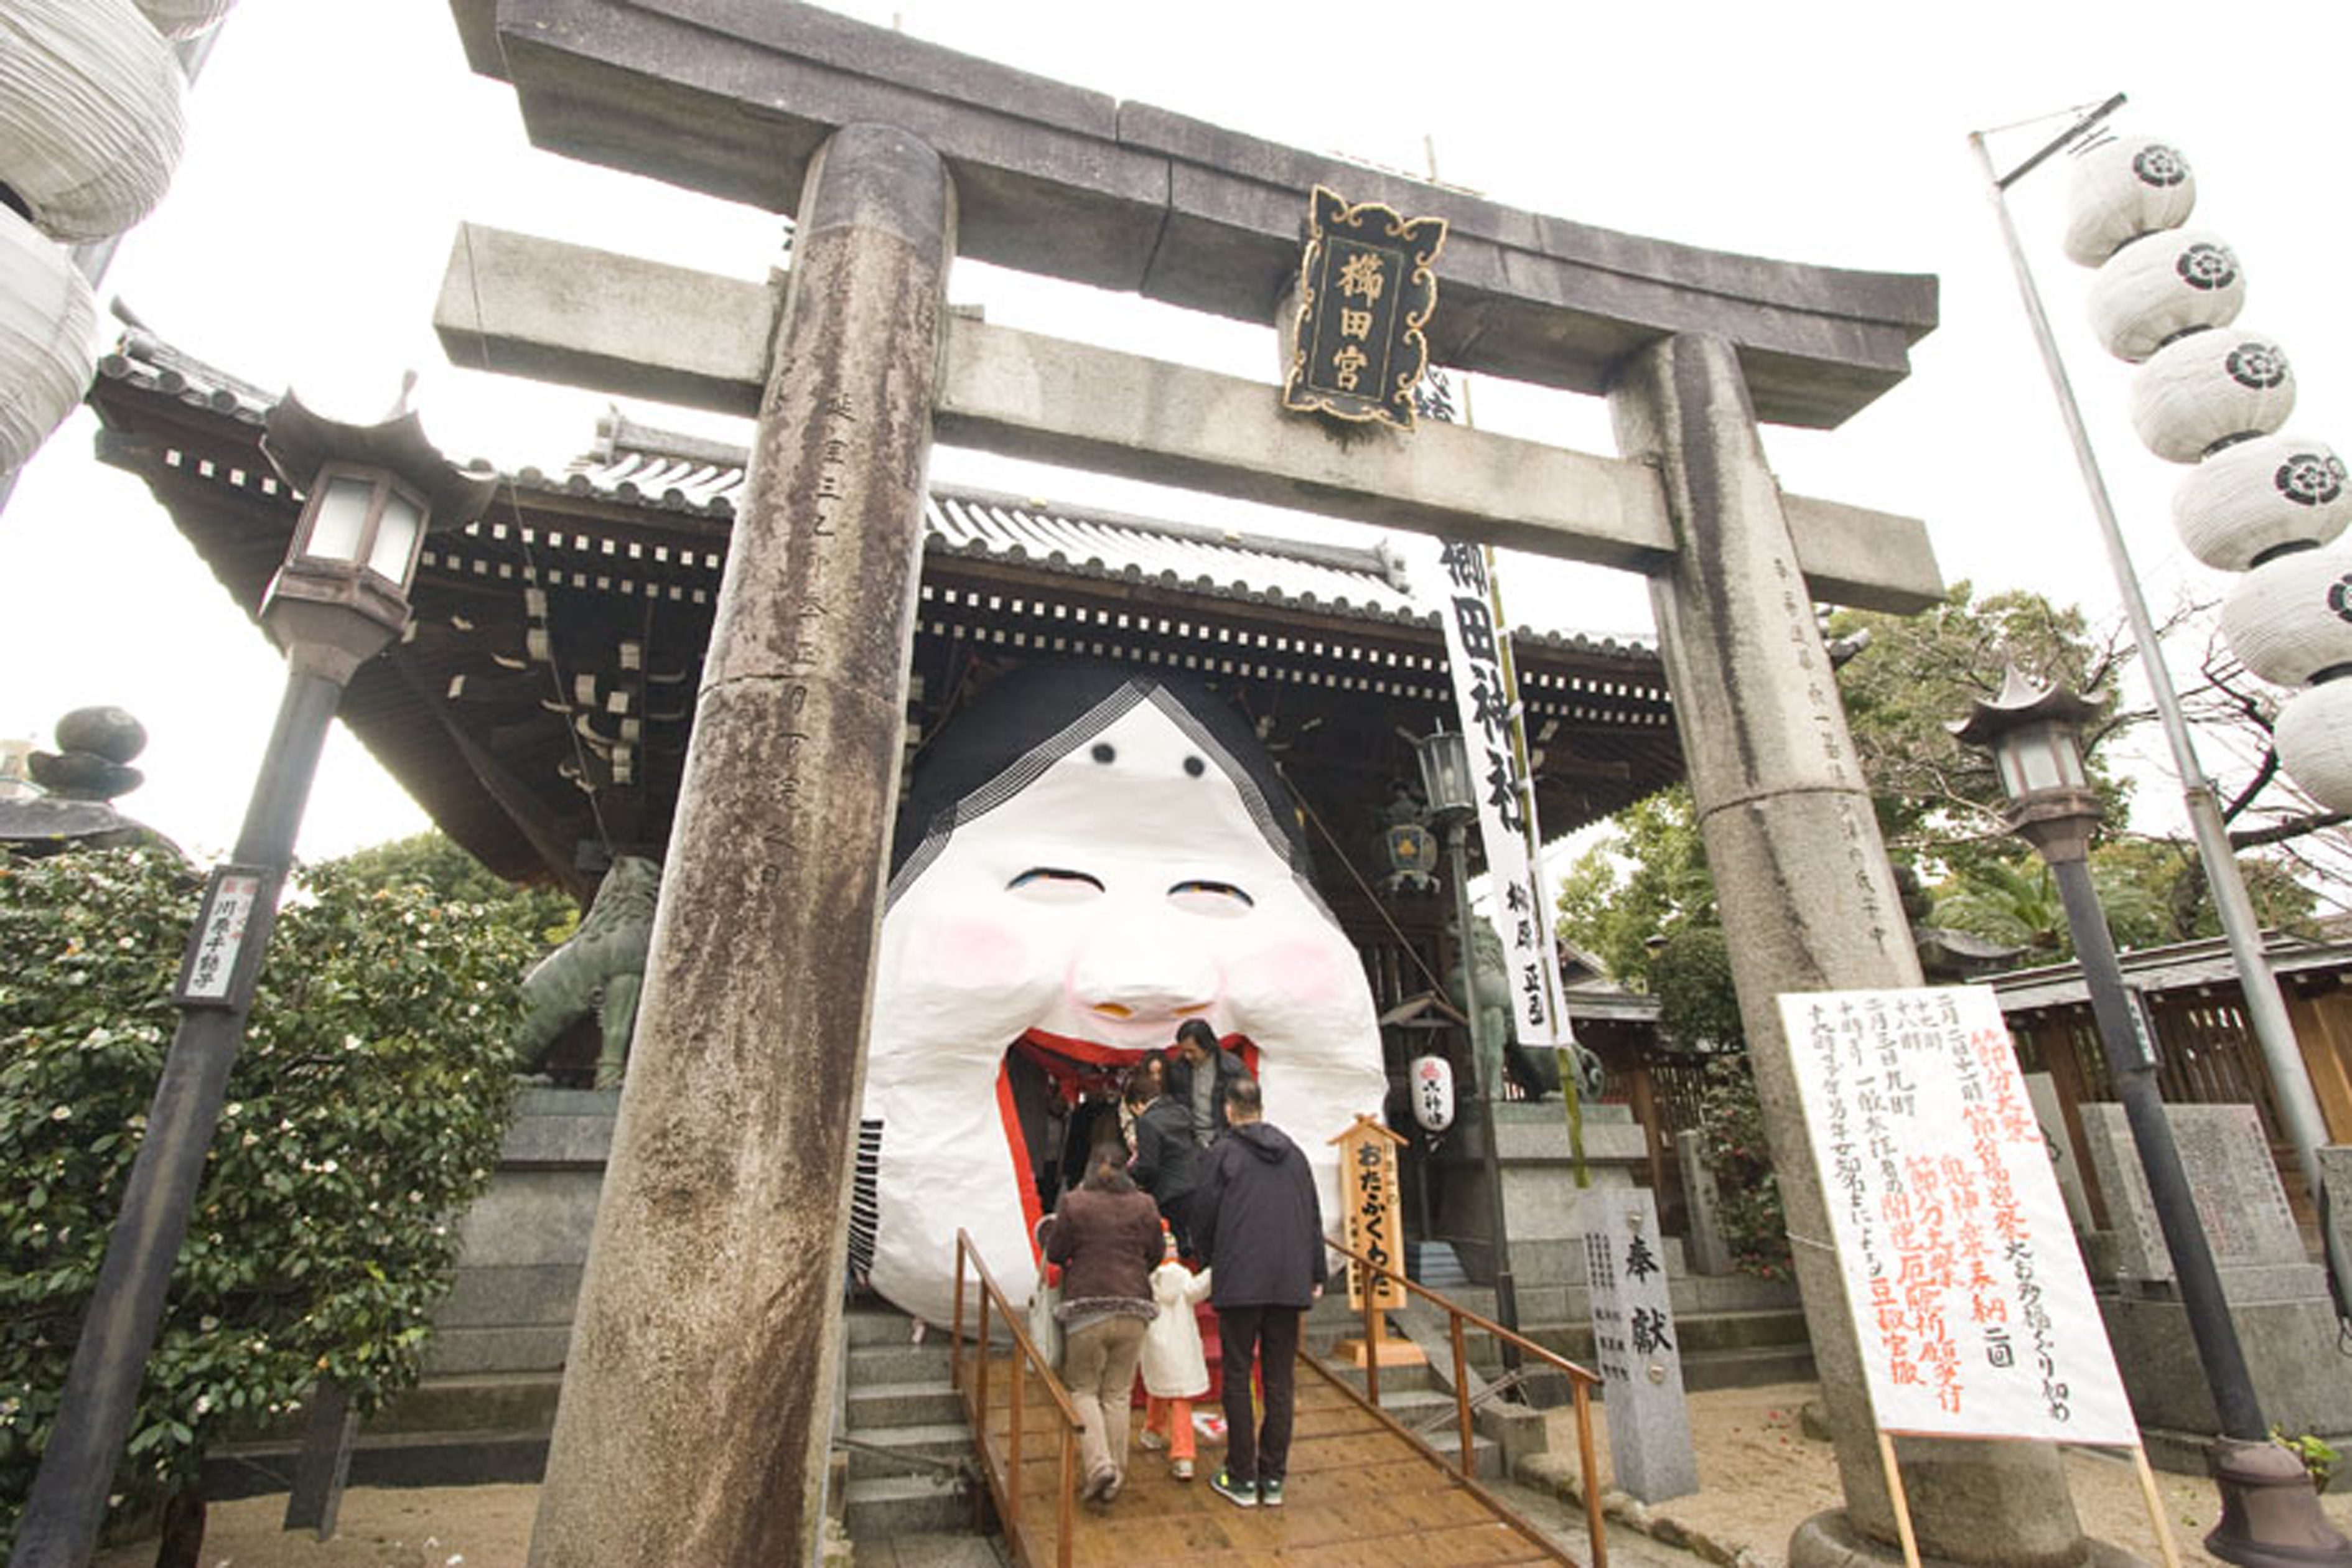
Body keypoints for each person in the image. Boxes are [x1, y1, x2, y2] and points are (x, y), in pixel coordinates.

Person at [854, 665, 1388, 1329]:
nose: (1150, 979)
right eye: (1051, 878)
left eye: (1215, 892)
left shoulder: (1138, 1167)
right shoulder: (1183, 1164)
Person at [1190, 1075, 1326, 1510]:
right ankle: (1274, 1477)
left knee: (1237, 1373)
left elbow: (1203, 1216)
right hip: (1289, 1279)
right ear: (1261, 1108)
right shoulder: (1296, 1156)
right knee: (1279, 1379)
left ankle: (1242, 1475)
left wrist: (1211, 1258)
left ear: (1229, 1110)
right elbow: (1312, 1216)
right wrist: (1315, 1270)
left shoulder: (1222, 1154)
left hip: (1241, 1278)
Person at [1038, 1147, 1162, 1505]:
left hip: (1087, 1309)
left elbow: (1058, 1252)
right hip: (1135, 1307)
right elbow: (1154, 1252)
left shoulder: (1075, 1203)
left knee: (1083, 1389)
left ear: (1090, 1169)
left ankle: (1099, 1466)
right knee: (1118, 1393)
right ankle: (1117, 1473)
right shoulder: (1146, 1205)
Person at [1137, 1221, 1213, 1481]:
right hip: (1182, 1346)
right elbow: (1198, 1290)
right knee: (1180, 1399)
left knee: (1159, 1388)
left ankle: (1153, 1430)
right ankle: (1184, 1456)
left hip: (1156, 1346)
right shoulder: (1182, 1278)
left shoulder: (1144, 1279)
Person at [1124, 1062, 1198, 1254]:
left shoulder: (1147, 1122)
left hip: (1170, 1194)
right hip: (1197, 1186)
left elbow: (1149, 1167)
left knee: (1174, 1249)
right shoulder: (1182, 1112)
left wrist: (1129, 1173)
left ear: (1138, 1103)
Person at [1164, 1017, 1249, 1150]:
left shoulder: (1233, 1069)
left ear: (1207, 1045)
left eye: (1192, 1051)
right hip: (1188, 1140)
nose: (1187, 1056)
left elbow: (1246, 1111)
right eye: (1184, 1051)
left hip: (1225, 1140)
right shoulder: (1178, 1068)